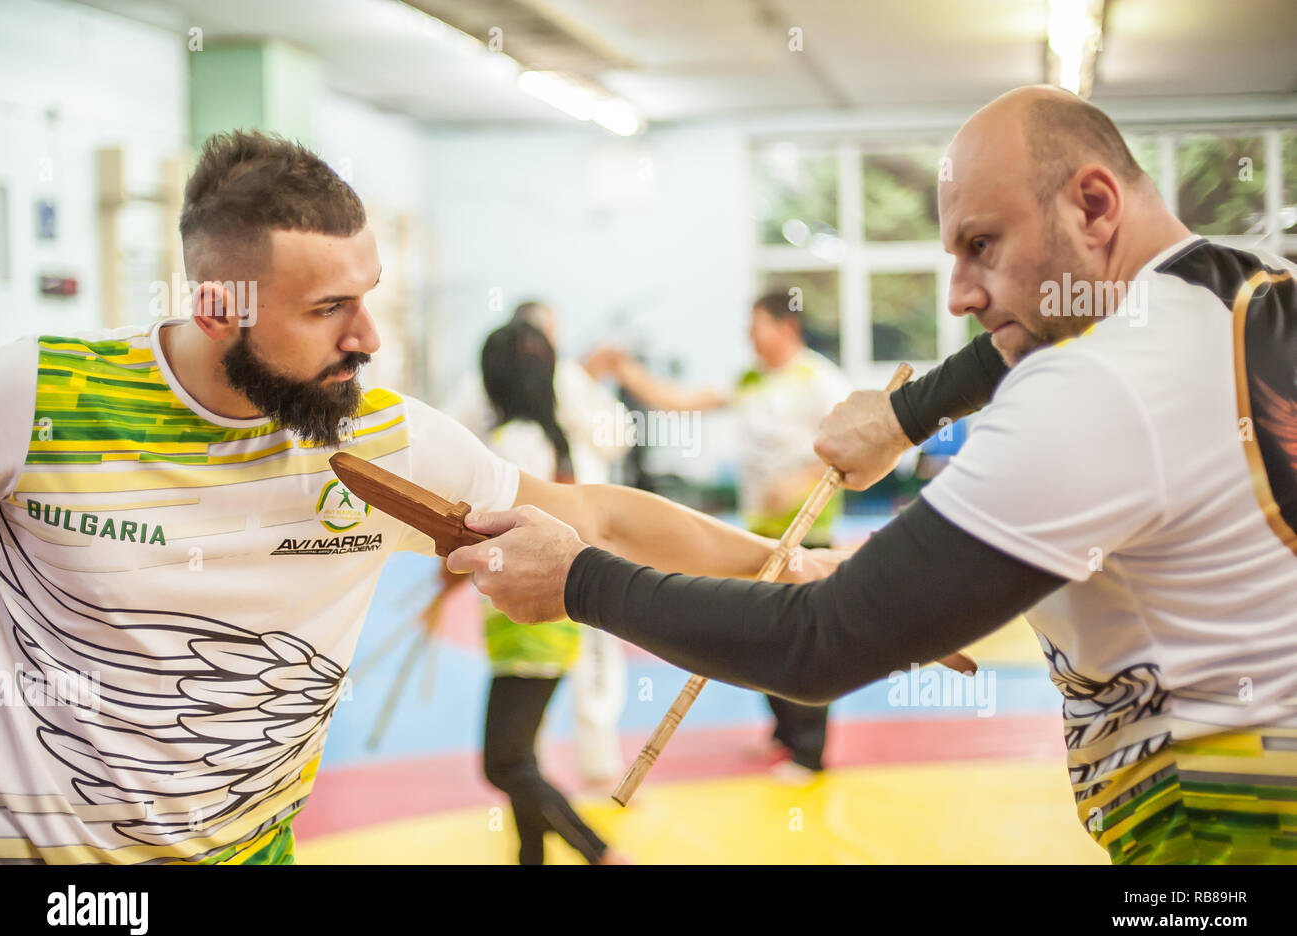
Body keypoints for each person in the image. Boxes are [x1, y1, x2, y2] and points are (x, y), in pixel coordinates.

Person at [448, 85, 1297, 865]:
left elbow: (815, 641)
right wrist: (910, 416)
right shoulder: (1246, 292)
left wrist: (580, 582)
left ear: (1094, 205)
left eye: (982, 245)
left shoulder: (1096, 384)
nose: (962, 292)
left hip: (1222, 836)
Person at [0, 130, 844, 865]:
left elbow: (601, 515)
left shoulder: (384, 439)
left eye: (366, 296)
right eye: (329, 308)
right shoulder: (38, 394)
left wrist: (792, 566)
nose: (367, 337)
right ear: (217, 309)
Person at [587, 292, 852, 778]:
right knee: (766, 636)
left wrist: (797, 484)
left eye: (756, 324)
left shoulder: (820, 381)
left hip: (808, 534)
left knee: (804, 639)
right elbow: (679, 401)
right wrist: (624, 370)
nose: (748, 334)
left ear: (786, 327)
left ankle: (810, 752)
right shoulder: (749, 379)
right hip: (757, 535)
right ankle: (784, 732)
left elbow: (852, 449)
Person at [441, 301, 630, 787]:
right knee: (526, 726)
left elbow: (616, 437)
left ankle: (580, 778)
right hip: (564, 558)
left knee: (519, 739)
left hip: (563, 558)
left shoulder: (554, 396)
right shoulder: (520, 416)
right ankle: (540, 776)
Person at [473, 321, 623, 864]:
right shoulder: (556, 442)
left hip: (526, 624)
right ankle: (530, 856)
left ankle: (599, 852)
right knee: (521, 754)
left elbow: (496, 531)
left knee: (504, 762)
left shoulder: (511, 443)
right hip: (544, 619)